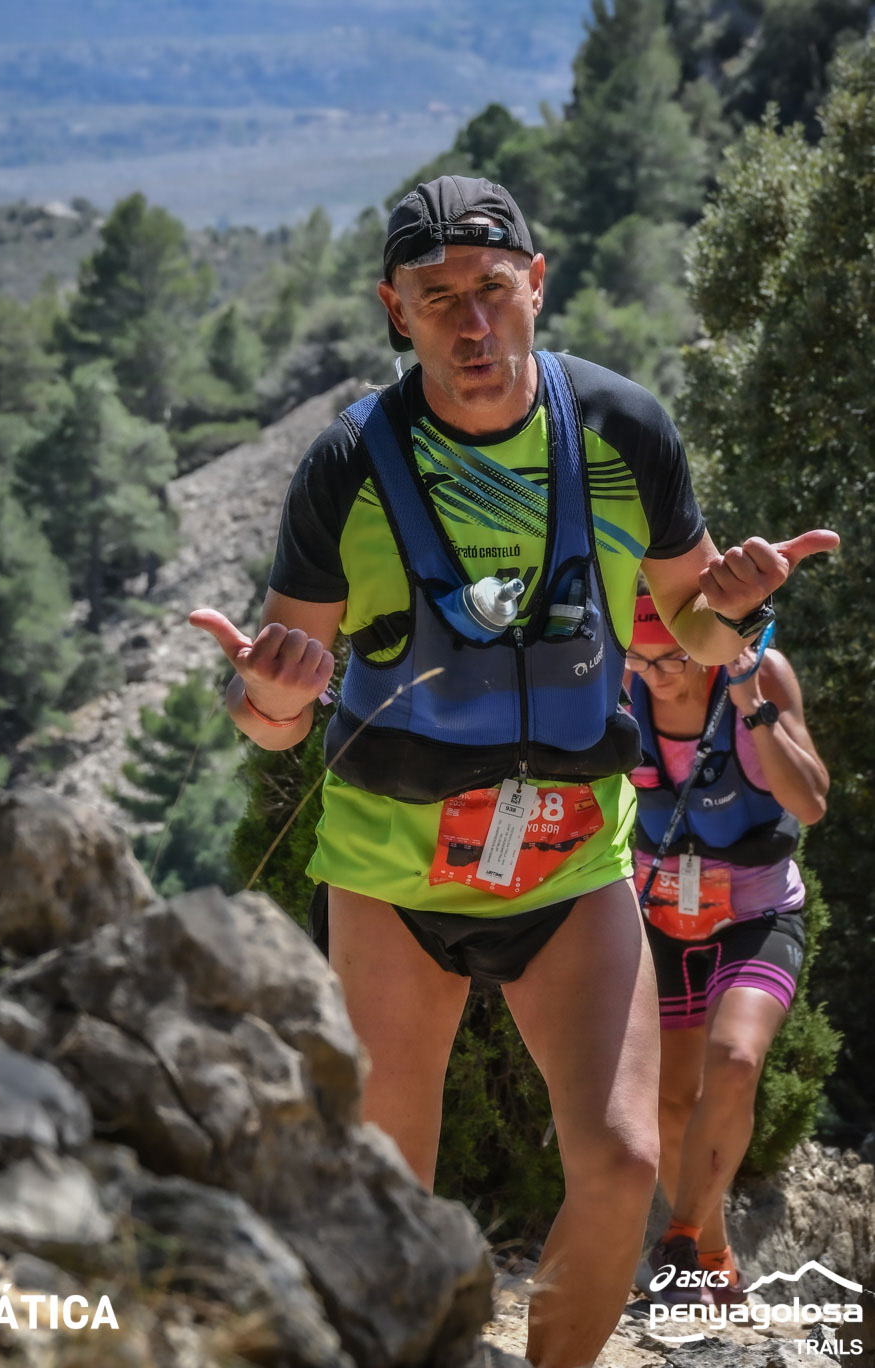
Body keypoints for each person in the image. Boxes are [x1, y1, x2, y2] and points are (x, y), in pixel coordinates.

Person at [190, 175, 838, 1368]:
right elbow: (271, 717)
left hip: (575, 863)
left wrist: (737, 610)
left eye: (492, 288)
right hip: (391, 875)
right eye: (437, 298)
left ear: (535, 283)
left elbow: (691, 629)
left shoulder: (621, 429)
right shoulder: (348, 463)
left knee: (624, 1163)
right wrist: (271, 693)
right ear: (395, 309)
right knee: (393, 1190)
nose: (471, 322)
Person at [626, 592, 829, 1306]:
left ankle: (679, 1235)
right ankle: (709, 1258)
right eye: (640, 659)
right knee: (670, 1100)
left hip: (756, 910)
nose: (657, 676)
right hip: (659, 912)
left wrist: (752, 707)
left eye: (672, 659)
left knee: (736, 1060)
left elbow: (810, 803)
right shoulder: (619, 684)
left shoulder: (760, 674)